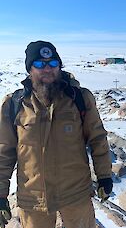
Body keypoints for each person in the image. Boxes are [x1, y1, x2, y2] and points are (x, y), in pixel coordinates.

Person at [0, 41, 113, 228]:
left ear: (59, 67)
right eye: (39, 64)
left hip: (76, 194)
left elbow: (98, 139)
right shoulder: (14, 104)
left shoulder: (80, 99)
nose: (47, 69)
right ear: (29, 69)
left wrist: (104, 176)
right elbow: (4, 152)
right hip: (33, 199)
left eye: (53, 63)